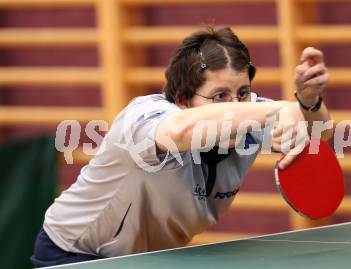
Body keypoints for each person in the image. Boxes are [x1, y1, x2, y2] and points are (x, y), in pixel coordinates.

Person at [31, 26, 332, 267]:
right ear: (183, 100)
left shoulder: (249, 115)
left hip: (150, 259)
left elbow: (319, 135)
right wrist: (280, 109)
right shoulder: (145, 118)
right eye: (219, 96)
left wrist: (307, 102)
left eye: (243, 92)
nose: (235, 104)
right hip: (75, 254)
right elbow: (179, 131)